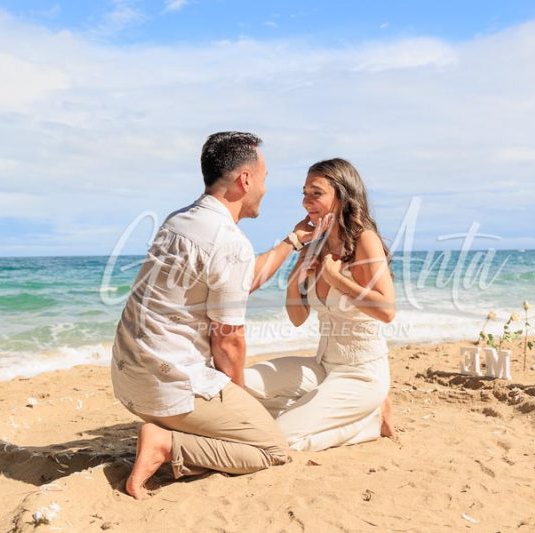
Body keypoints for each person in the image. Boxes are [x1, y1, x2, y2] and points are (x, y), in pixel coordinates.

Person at [111, 132, 322, 499]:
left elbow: (240, 281)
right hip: (167, 386)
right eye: (265, 178)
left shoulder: (179, 220)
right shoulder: (229, 242)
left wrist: (292, 241)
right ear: (245, 180)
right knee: (271, 448)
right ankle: (165, 444)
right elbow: (228, 340)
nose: (265, 188)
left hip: (128, 377)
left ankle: (173, 433)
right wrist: (239, 400)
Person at [244, 158, 396, 452]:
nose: (306, 202)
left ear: (342, 196)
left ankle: (372, 421)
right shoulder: (315, 244)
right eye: (304, 193)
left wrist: (334, 278)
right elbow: (297, 318)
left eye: (316, 193)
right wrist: (295, 279)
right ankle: (312, 411)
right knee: (238, 387)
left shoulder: (365, 240)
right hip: (322, 367)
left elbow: (387, 310)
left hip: (361, 375)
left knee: (279, 440)